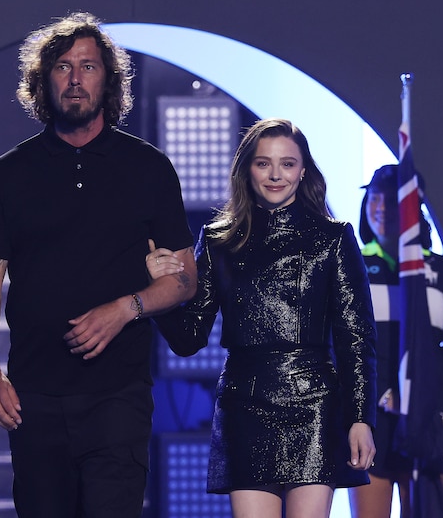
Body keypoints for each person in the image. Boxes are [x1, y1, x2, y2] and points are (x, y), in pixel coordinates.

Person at [0, 12, 197, 518]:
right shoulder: (10, 174)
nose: (75, 79)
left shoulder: (148, 168)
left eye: (88, 66)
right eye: (64, 67)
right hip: (35, 396)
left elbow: (185, 279)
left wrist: (125, 308)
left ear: (107, 80)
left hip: (118, 395)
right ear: (43, 81)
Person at [148, 118, 377, 518]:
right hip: (245, 404)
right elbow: (189, 339)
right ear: (246, 169)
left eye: (287, 164)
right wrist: (159, 292)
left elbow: (356, 338)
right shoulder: (220, 240)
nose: (275, 175)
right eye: (263, 163)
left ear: (303, 170)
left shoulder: (334, 238)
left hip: (315, 402)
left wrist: (360, 419)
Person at [347, 164, 443, 518]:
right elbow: (342, 348)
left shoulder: (442, 272)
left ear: (414, 207)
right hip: (370, 424)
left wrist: (431, 406)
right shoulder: (351, 267)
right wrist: (368, 405)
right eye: (374, 199)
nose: (381, 209)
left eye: (393, 201)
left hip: (425, 423)